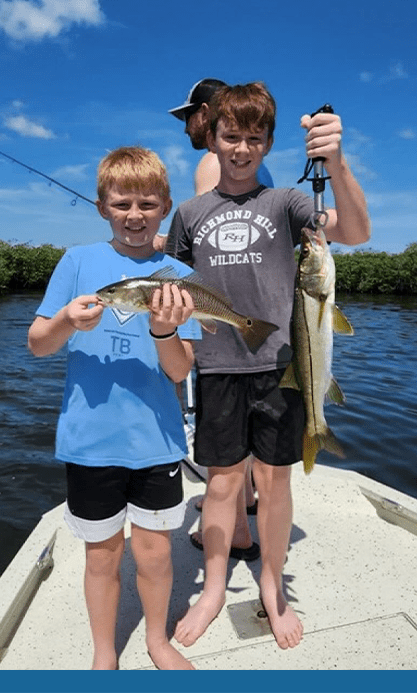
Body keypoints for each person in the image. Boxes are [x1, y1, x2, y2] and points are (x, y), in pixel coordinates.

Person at [166, 82, 371, 651]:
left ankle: (272, 584)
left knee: (274, 481)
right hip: (216, 365)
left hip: (283, 363)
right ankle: (212, 587)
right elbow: (174, 284)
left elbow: (354, 232)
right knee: (224, 481)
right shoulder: (189, 214)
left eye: (254, 138)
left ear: (269, 142)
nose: (241, 148)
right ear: (213, 137)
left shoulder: (289, 204)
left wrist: (336, 161)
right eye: (231, 136)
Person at [27, 146, 201, 671]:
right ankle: (105, 653)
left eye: (147, 204)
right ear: (103, 206)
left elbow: (179, 371)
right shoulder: (77, 261)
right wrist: (63, 322)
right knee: (100, 557)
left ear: (166, 206)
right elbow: (38, 343)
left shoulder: (179, 273)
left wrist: (165, 328)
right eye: (122, 203)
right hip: (89, 442)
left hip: (156, 441)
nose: (134, 215)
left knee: (154, 554)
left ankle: (157, 640)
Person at [166, 78, 276, 560]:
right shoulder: (259, 169)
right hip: (260, 325)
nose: (187, 124)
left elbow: (209, 251)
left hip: (221, 329)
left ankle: (237, 533)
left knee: (222, 445)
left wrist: (155, 249)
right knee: (247, 444)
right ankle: (246, 509)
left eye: (190, 113)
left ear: (209, 113)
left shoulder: (210, 162)